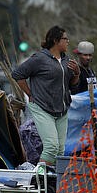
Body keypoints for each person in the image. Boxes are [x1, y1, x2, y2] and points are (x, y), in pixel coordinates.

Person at [11, 25, 80, 165]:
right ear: (55, 40)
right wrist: (30, 93)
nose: (68, 42)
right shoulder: (40, 58)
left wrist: (77, 73)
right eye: (65, 39)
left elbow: (73, 86)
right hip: (42, 107)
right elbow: (17, 74)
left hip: (61, 110)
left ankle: (54, 182)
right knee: (51, 147)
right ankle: (39, 179)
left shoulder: (67, 60)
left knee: (60, 150)